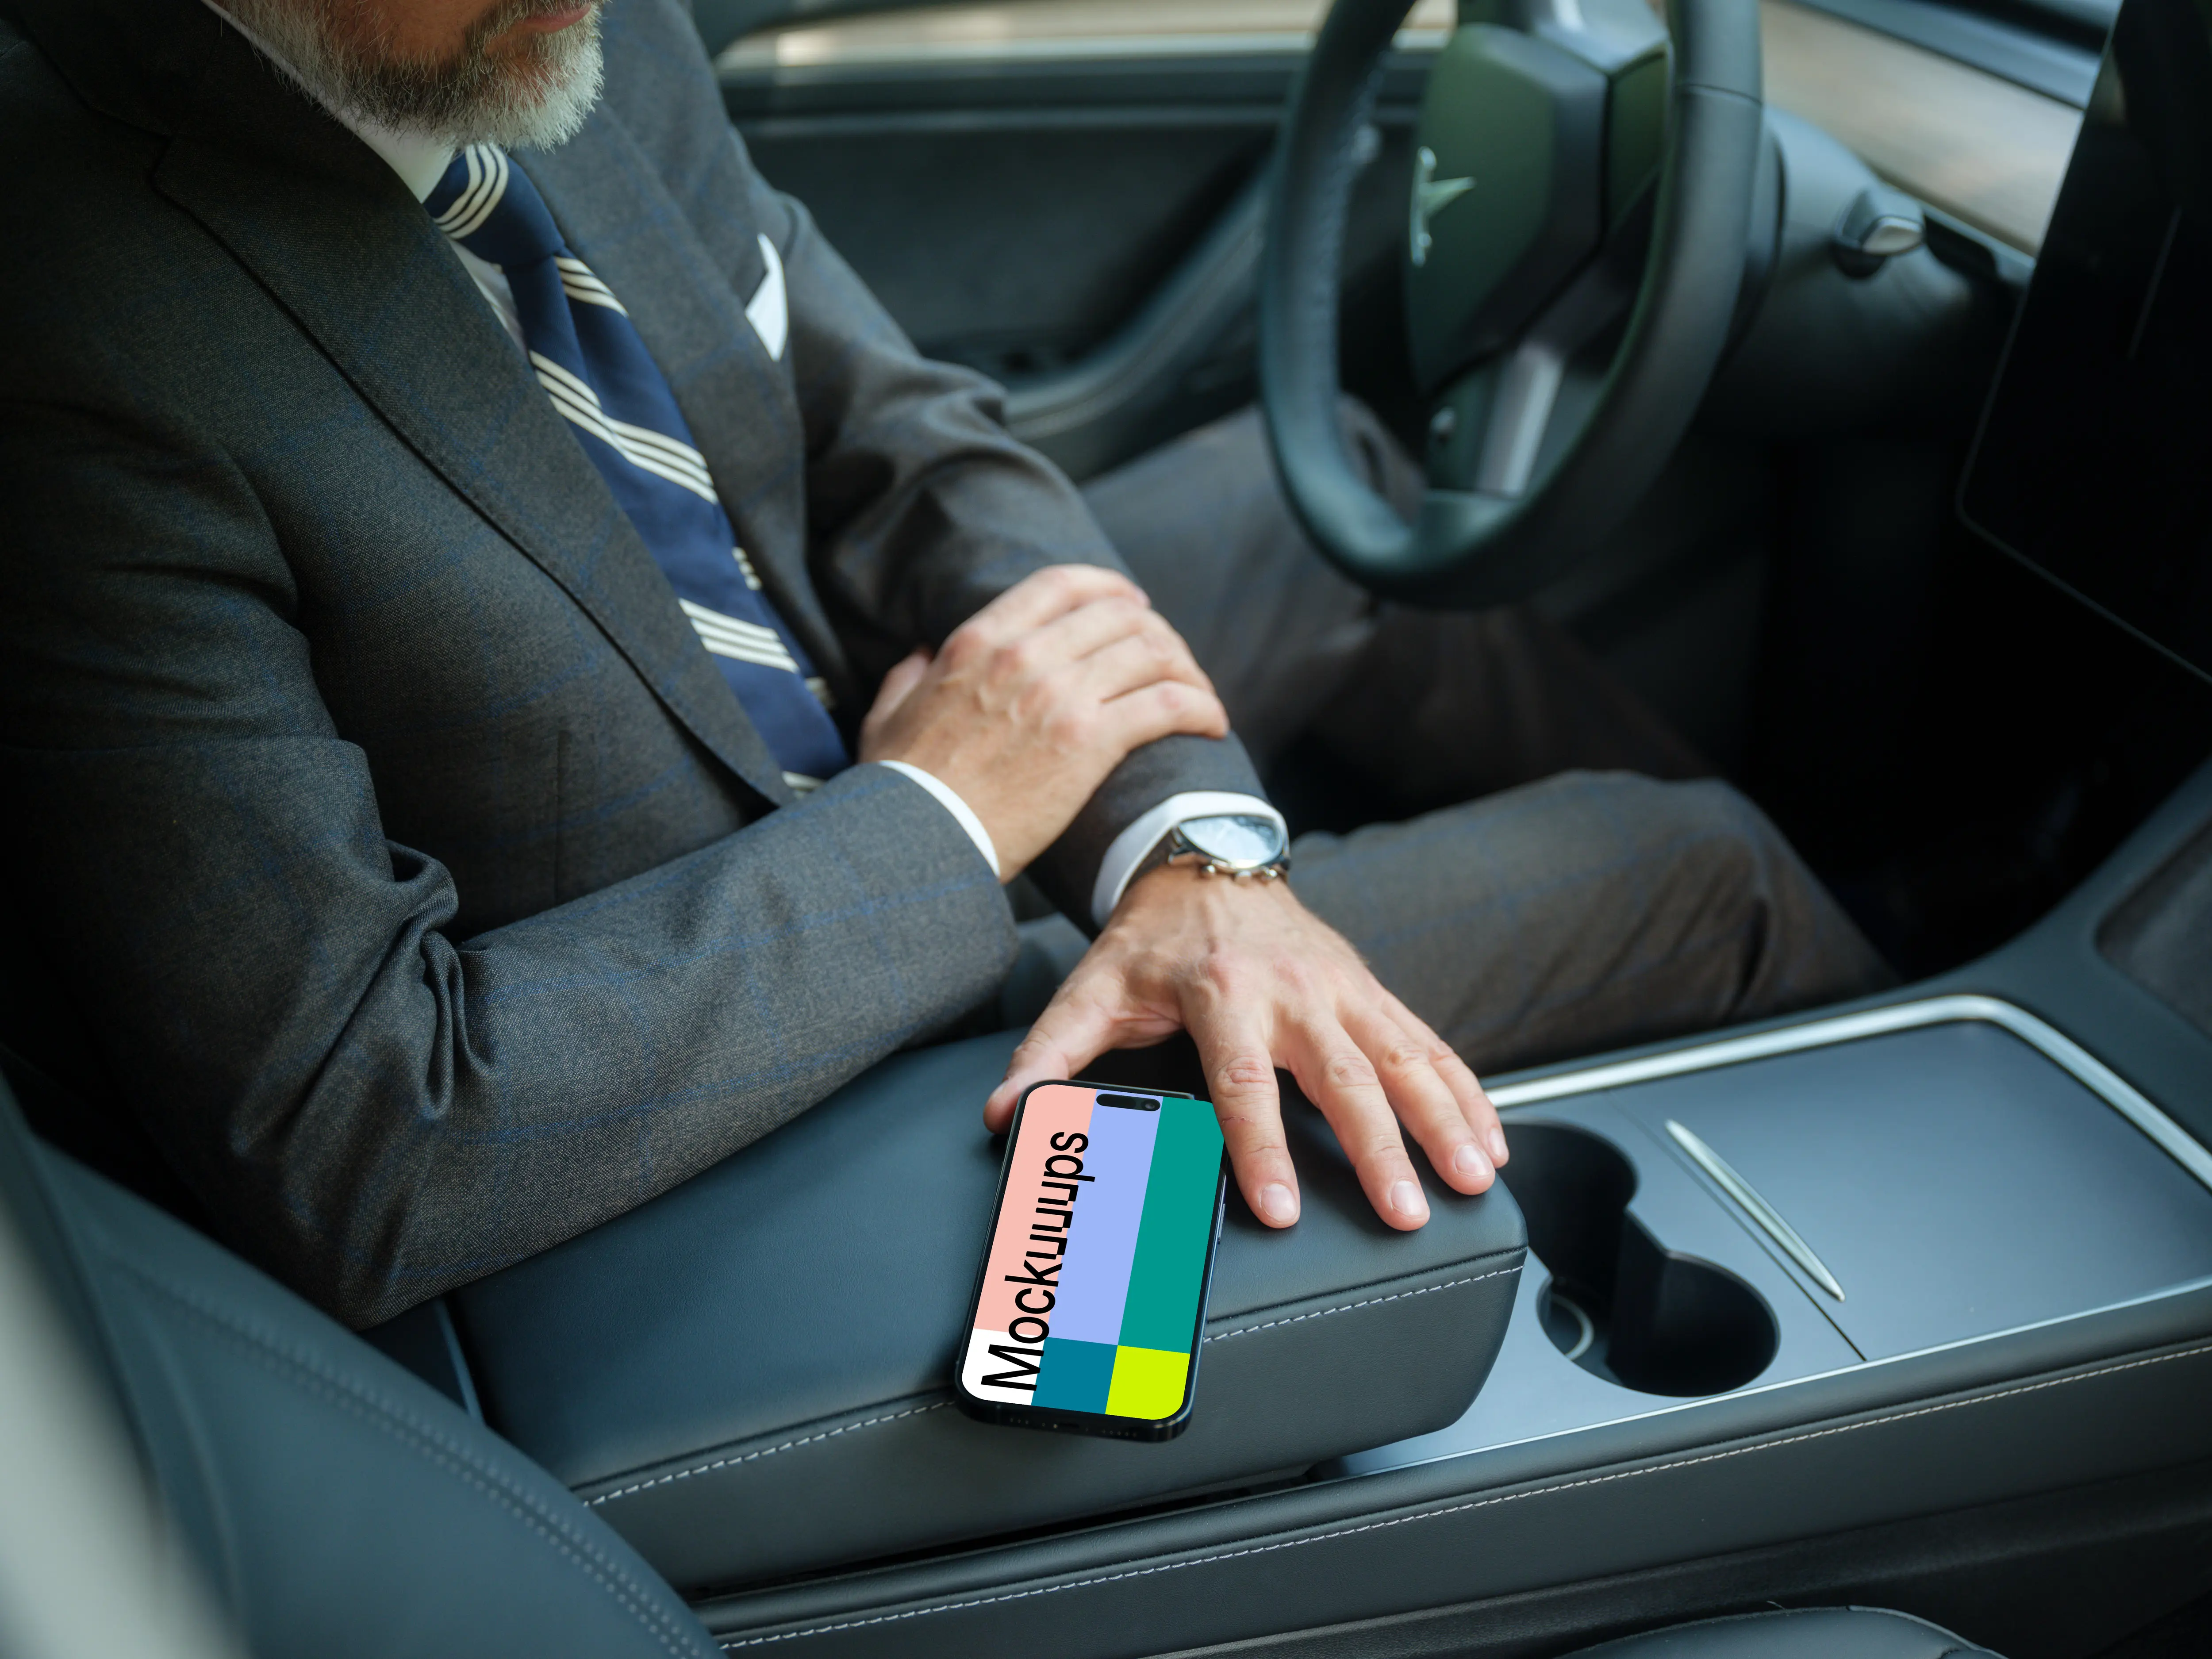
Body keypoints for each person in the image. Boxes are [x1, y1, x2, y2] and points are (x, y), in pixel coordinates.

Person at [0, 0, 1889, 1327]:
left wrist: (1189, 857)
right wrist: (942, 818)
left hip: (848, 741)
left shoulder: (564, 34)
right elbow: (360, 1135)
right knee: (1704, 872)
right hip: (765, 1071)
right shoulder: (76, 323)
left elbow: (885, 424)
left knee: (1342, 516)